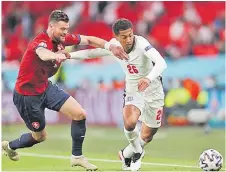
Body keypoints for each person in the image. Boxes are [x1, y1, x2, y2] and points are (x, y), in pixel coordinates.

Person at [1, 10, 128, 171]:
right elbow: (43, 53)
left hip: (45, 87)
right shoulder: (40, 42)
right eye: (62, 29)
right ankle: (10, 146)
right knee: (40, 137)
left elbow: (88, 39)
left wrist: (110, 46)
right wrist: (55, 56)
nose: (65, 33)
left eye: (67, 29)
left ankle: (77, 157)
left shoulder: (63, 39)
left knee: (80, 114)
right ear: (51, 26)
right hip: (27, 96)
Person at [67, 18, 167, 171]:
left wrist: (148, 78)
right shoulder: (114, 47)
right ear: (116, 37)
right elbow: (92, 53)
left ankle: (126, 153)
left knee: (147, 135)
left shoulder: (142, 44)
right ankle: (138, 153)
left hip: (153, 88)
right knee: (130, 122)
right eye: (124, 37)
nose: (128, 39)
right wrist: (69, 56)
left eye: (130, 35)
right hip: (134, 88)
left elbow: (161, 63)